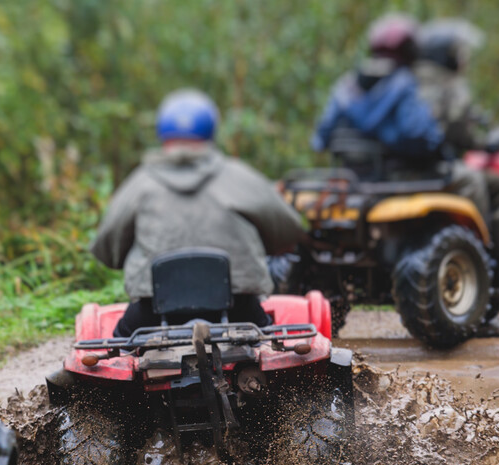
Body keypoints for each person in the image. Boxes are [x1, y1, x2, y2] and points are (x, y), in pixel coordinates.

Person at [91, 89, 305, 336]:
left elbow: (107, 250)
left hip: (153, 311)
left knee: (117, 354)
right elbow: (289, 233)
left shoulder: (140, 183)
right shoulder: (239, 177)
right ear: (211, 131)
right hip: (238, 308)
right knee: (270, 348)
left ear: (163, 133)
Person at [415, 18, 499, 266]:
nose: (463, 58)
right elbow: (459, 131)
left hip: (415, 166)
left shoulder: (410, 79)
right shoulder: (449, 83)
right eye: (458, 53)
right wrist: (487, 143)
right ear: (446, 55)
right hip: (436, 167)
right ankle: (492, 256)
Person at [311, 13, 443, 167]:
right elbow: (417, 135)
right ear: (409, 50)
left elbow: (320, 139)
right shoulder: (405, 82)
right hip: (399, 175)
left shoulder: (346, 84)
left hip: (353, 176)